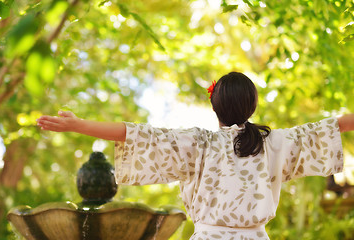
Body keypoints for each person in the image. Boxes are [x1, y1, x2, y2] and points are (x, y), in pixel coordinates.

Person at [36, 72, 354, 240]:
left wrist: (77, 125)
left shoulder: (198, 144)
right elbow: (333, 126)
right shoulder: (272, 143)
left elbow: (131, 133)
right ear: (252, 106)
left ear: (214, 106)